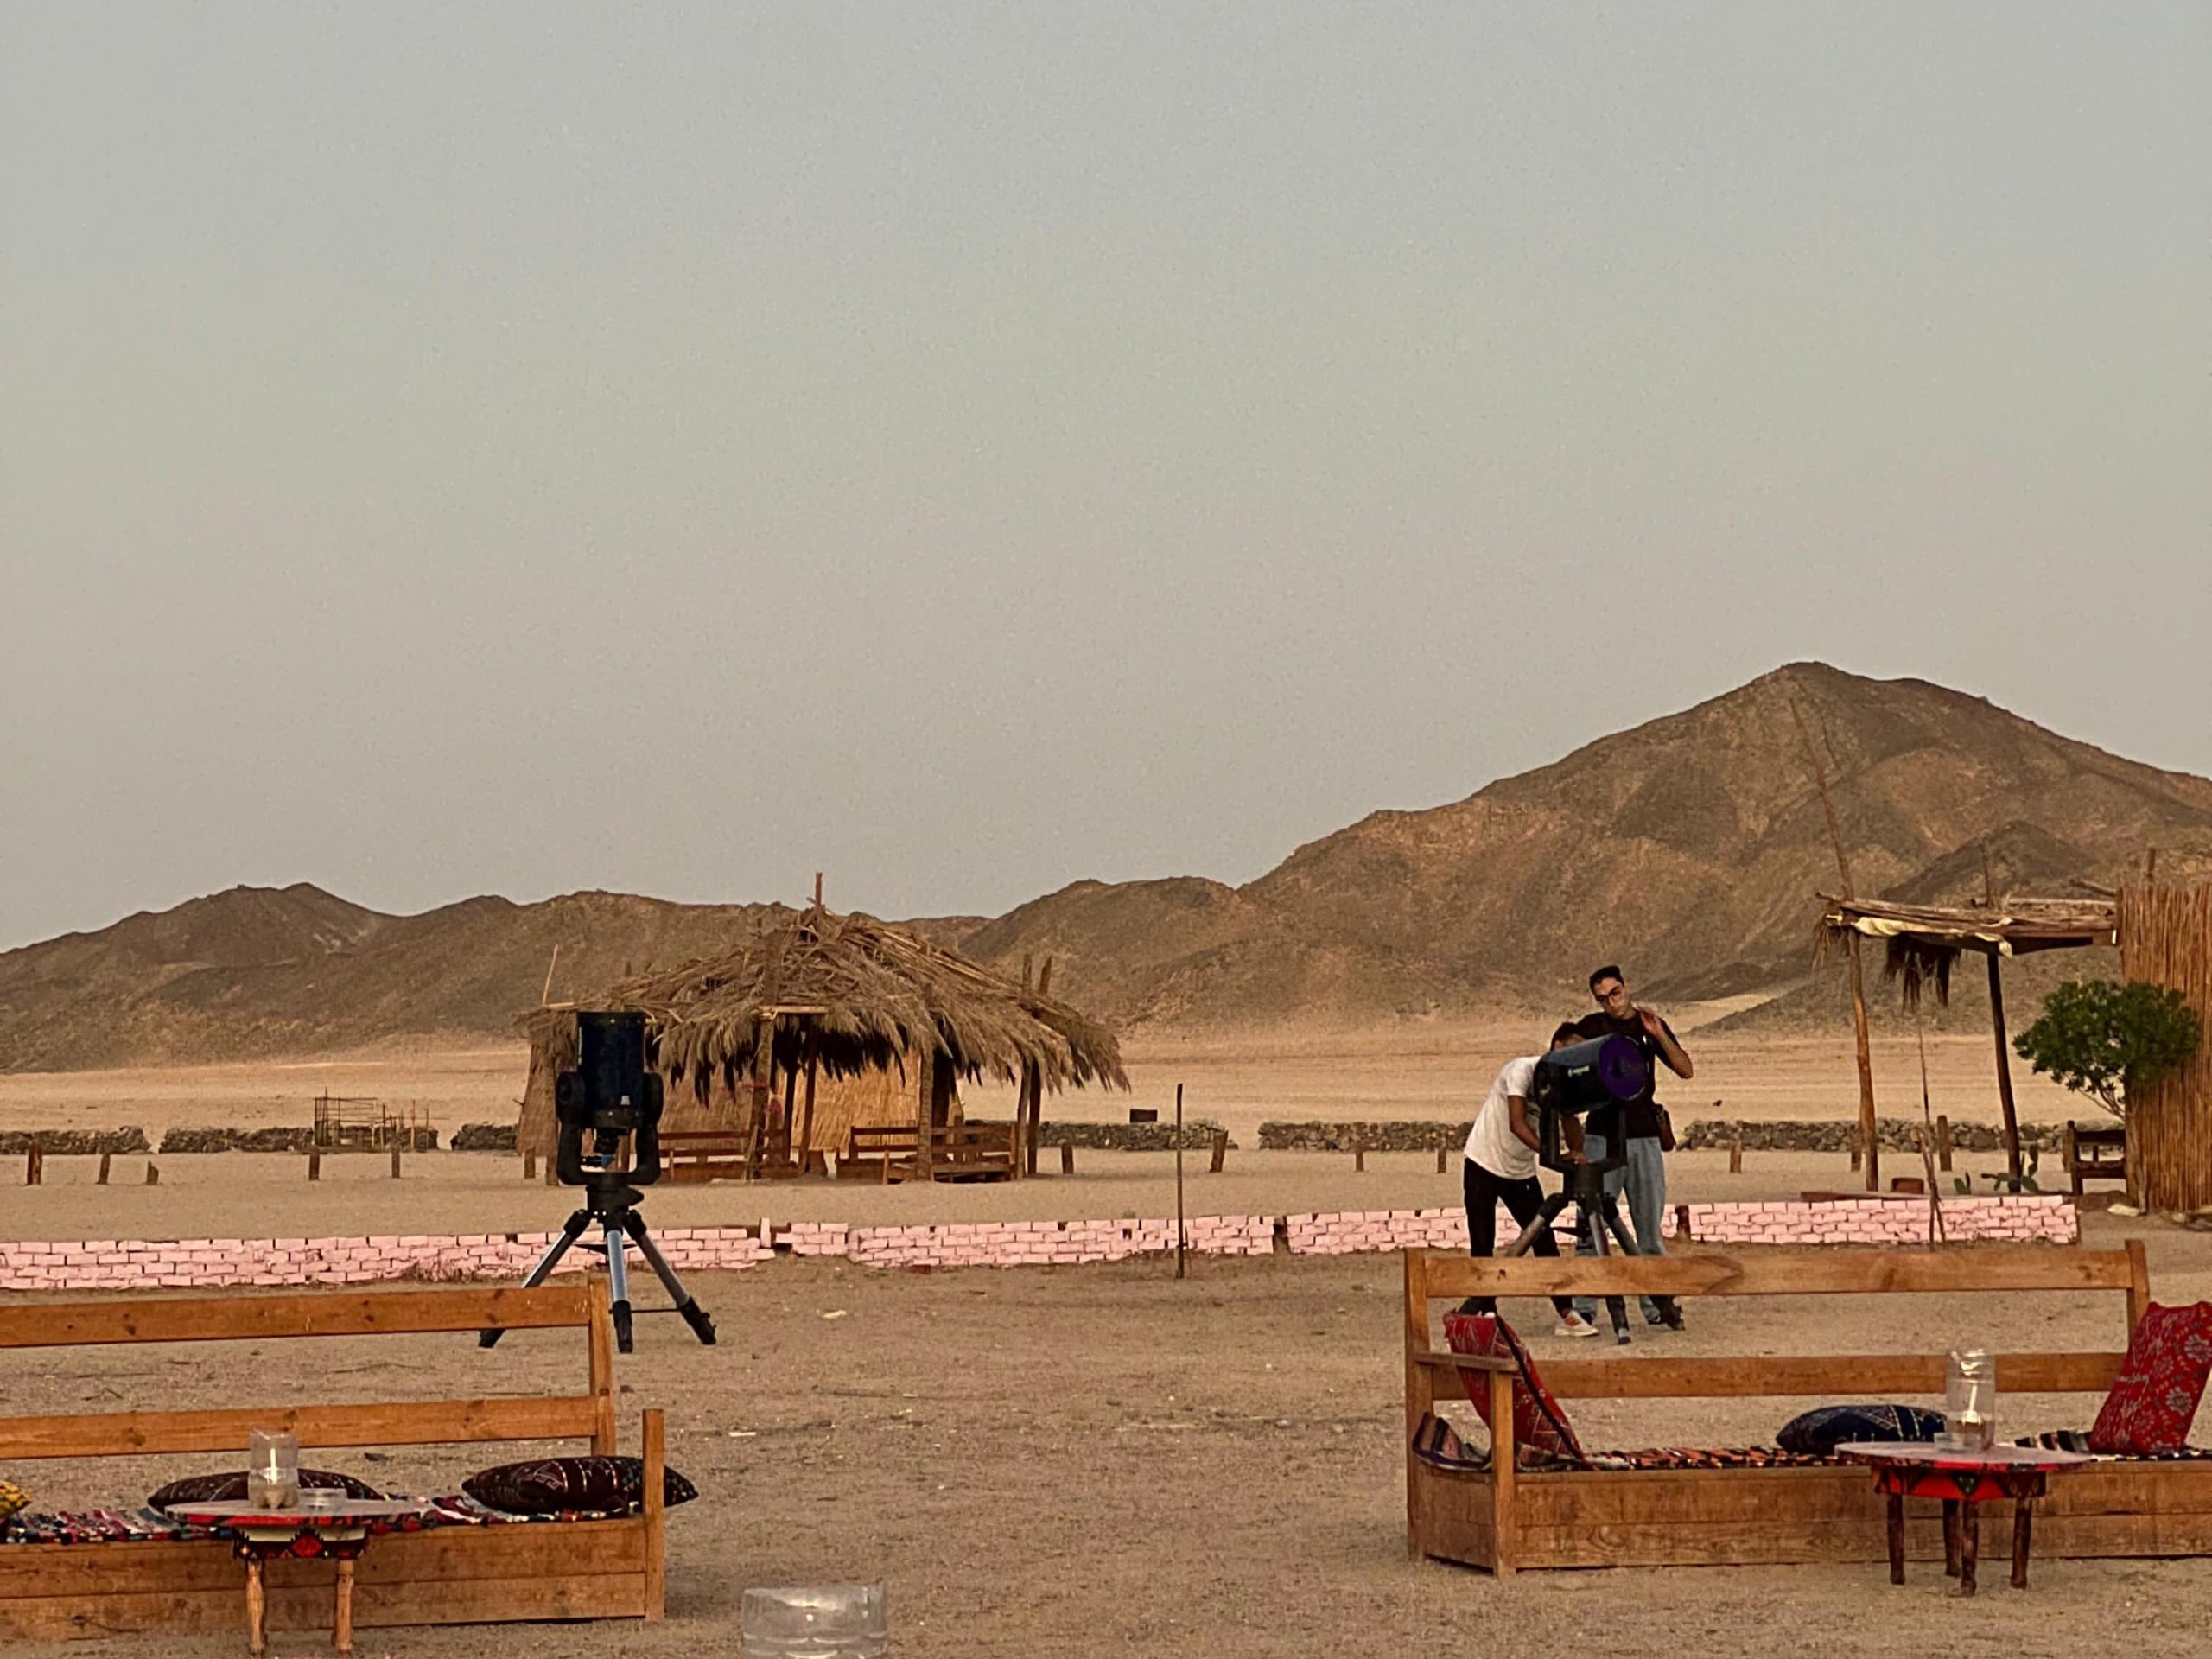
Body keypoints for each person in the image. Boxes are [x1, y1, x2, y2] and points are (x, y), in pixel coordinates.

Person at [1573, 964, 1690, 1332]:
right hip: (1600, 1136)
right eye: (1603, 998)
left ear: (1626, 988)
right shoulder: (1591, 1027)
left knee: (1648, 1229)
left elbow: (1685, 1068)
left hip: (1642, 1135)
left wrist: (1659, 1035)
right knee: (1590, 1226)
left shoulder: (1647, 1023)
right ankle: (1585, 1306)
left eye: (1615, 994)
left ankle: (1656, 1303)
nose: (1611, 1003)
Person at [1461, 1023, 1598, 1336]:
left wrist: (1576, 1150)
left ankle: (1567, 1314)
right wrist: (1552, 1154)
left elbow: (1571, 1126)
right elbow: (1516, 1123)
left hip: (1519, 1171)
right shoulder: (1521, 1070)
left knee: (1543, 1239)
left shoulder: (1563, 1087)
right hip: (1483, 1162)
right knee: (1482, 1241)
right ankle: (1485, 1310)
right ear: (1556, 1045)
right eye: (1570, 1049)